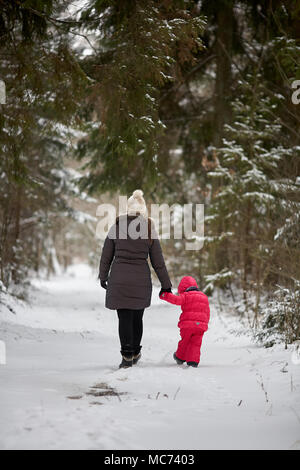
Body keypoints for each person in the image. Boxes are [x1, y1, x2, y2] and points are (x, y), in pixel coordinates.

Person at [99, 190, 172, 368]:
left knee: (124, 317)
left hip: (119, 279)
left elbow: (106, 255)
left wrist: (103, 276)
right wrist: (166, 284)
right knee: (137, 317)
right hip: (141, 280)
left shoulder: (116, 226)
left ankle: (127, 355)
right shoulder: (148, 228)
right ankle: (136, 351)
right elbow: (158, 261)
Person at [160, 276, 210, 367]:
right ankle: (193, 361)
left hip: (187, 325)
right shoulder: (204, 297)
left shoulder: (186, 295)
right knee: (196, 343)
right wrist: (205, 323)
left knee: (185, 341)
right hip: (200, 326)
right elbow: (207, 312)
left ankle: (180, 357)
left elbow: (176, 300)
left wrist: (164, 295)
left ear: (182, 288)